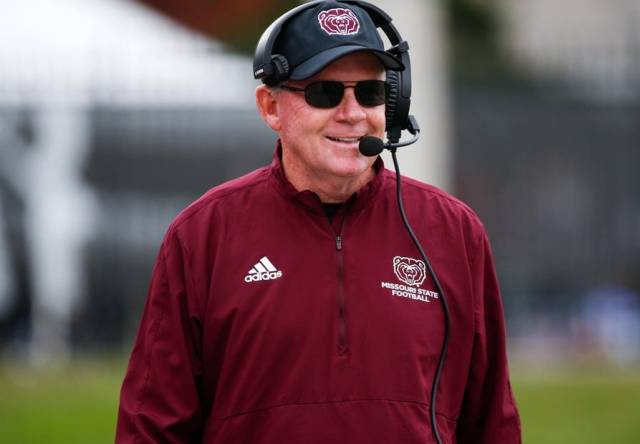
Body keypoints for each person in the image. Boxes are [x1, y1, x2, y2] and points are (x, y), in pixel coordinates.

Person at [115, 1, 521, 443]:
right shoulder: (202, 236)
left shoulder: (454, 232)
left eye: (369, 93)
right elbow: (151, 428)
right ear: (270, 107)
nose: (351, 113)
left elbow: (492, 423)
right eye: (325, 93)